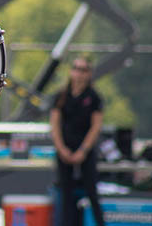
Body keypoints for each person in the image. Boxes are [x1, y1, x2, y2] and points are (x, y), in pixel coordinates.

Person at [50, 55, 105, 226]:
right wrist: (61, 149)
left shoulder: (94, 97)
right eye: (76, 68)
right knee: (65, 194)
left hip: (85, 150)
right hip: (65, 149)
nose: (79, 74)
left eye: (83, 70)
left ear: (89, 74)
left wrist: (83, 150)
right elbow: (55, 124)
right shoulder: (61, 96)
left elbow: (96, 126)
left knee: (91, 192)